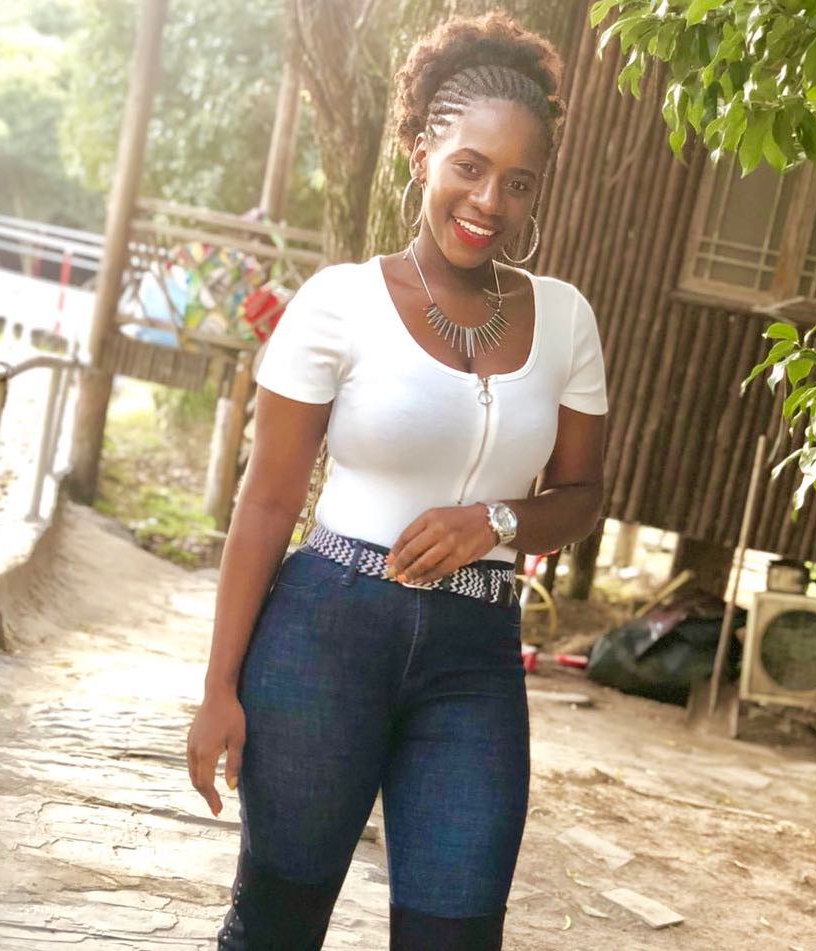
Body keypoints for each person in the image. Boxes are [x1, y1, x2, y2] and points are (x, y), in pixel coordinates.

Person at [186, 11, 608, 950]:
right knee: (275, 928)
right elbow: (266, 503)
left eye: (518, 182)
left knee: (456, 934)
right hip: (322, 638)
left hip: (473, 660)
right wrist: (218, 688)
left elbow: (583, 496)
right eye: (470, 166)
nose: (489, 200)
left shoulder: (566, 320)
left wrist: (495, 519)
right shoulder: (338, 302)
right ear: (421, 154)